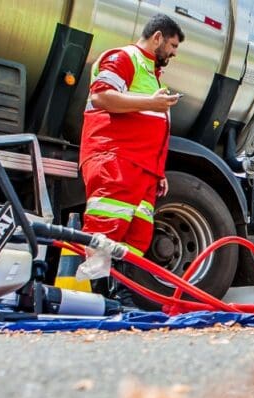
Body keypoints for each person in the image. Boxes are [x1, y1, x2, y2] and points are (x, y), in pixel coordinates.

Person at [79, 13, 183, 293]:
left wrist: (158, 172)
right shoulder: (123, 58)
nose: (173, 53)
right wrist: (151, 101)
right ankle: (97, 297)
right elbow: (101, 97)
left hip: (143, 169)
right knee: (105, 228)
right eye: (172, 46)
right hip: (116, 159)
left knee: (136, 237)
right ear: (157, 37)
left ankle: (118, 296)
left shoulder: (151, 75)